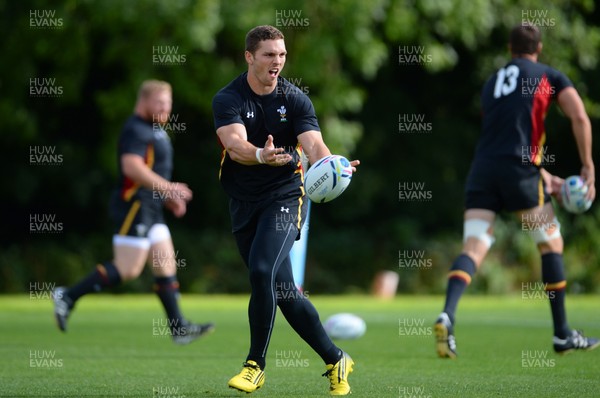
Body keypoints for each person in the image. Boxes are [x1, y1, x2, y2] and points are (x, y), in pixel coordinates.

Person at [434, 24, 598, 359]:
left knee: (475, 245)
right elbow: (580, 117)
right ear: (539, 47)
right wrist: (587, 165)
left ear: (510, 48)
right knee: (551, 241)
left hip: (483, 170)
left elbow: (506, 135)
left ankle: (447, 315)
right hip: (518, 170)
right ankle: (563, 334)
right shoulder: (549, 75)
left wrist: (542, 174)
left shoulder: (493, 82)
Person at [212, 25, 359, 395]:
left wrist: (334, 167)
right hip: (244, 202)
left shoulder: (295, 100)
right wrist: (261, 154)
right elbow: (234, 145)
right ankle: (335, 357)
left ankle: (254, 366)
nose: (277, 62)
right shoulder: (228, 98)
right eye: (268, 55)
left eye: (281, 55)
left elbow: (314, 146)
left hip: (285, 196)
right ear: (249, 57)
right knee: (285, 293)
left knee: (261, 272)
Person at [52, 80, 214, 345]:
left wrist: (166, 198)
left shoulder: (156, 130)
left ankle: (179, 328)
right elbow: (132, 167)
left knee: (165, 263)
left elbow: (153, 170)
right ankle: (67, 296)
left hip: (152, 208)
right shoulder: (136, 129)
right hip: (134, 206)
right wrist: (169, 188)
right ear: (144, 101)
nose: (165, 109)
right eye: (160, 103)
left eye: (168, 104)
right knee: (128, 270)